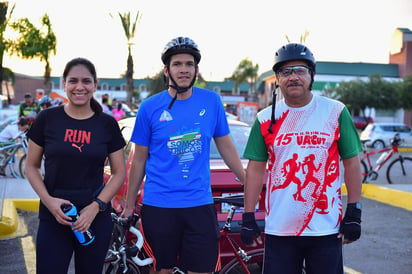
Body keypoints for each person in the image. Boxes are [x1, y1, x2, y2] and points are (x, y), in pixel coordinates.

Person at [122, 36, 246, 274]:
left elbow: (226, 145)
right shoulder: (149, 107)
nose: (184, 69)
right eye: (177, 64)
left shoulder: (211, 101)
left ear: (196, 69)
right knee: (162, 270)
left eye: (189, 64)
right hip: (159, 205)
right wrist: (129, 205)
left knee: (201, 270)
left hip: (199, 204)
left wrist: (246, 177)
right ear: (166, 70)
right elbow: (138, 159)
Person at [240, 43, 363, 274]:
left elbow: (351, 162)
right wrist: (248, 214)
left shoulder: (335, 111)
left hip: (326, 229)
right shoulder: (265, 118)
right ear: (277, 78)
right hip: (280, 229)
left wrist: (354, 211)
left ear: (311, 75)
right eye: (285, 72)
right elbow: (256, 169)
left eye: (300, 70)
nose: (293, 77)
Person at [25, 57, 126, 274]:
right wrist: (49, 201)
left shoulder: (107, 124)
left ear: (95, 85)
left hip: (94, 219)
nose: (79, 87)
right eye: (73, 81)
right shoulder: (47, 119)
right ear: (64, 84)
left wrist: (96, 206)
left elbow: (119, 173)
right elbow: (31, 166)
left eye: (86, 81)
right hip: (54, 217)